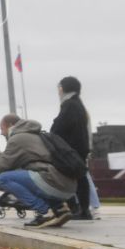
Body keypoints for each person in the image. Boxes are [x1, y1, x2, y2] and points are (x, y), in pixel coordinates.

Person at [0, 114, 75, 228]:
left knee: (4, 178)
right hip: (67, 186)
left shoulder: (17, 139)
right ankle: (60, 209)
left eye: (2, 129)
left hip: (54, 181)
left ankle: (45, 212)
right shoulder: (36, 135)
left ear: (11, 125)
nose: (1, 133)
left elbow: (0, 166)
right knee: (29, 175)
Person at [51, 76, 99, 220]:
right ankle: (82, 210)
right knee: (79, 178)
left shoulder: (69, 105)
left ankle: (80, 209)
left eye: (59, 87)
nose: (58, 91)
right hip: (79, 148)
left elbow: (59, 127)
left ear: (63, 88)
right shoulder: (78, 104)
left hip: (71, 150)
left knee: (69, 179)